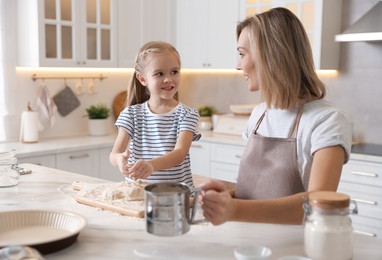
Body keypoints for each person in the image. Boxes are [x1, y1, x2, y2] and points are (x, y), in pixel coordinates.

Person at [200, 7, 352, 225]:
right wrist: (226, 196)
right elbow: (258, 192)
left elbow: (318, 204)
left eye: (242, 54)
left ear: (270, 55)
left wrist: (234, 209)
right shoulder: (259, 114)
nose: (237, 65)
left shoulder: (326, 121)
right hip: (246, 241)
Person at [109, 41, 201, 188]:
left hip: (175, 195)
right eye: (159, 74)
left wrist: (151, 165)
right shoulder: (131, 114)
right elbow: (114, 154)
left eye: (174, 71)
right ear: (143, 79)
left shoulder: (187, 114)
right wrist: (120, 160)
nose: (168, 79)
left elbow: (179, 154)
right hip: (138, 193)